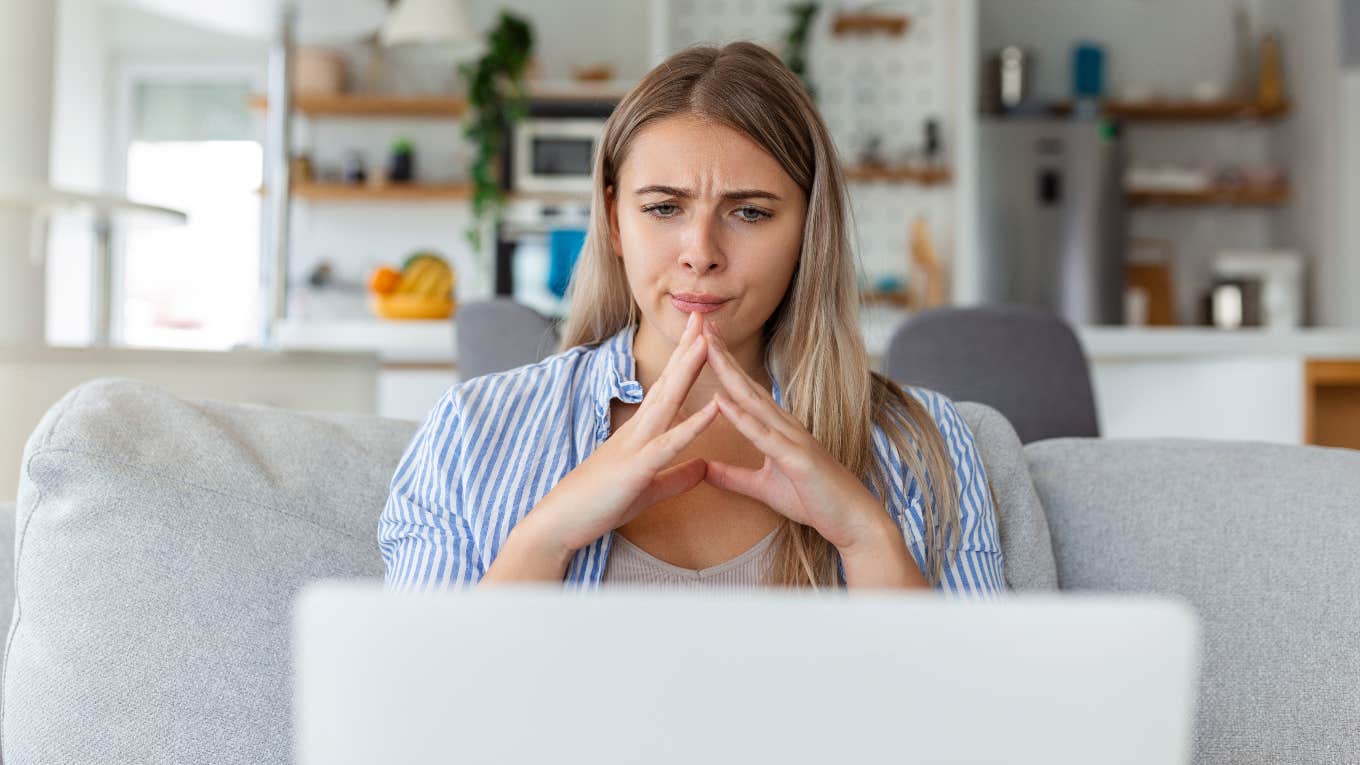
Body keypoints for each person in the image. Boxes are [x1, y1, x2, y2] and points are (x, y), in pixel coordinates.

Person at [379, 41, 1004, 594]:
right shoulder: (470, 436)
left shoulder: (924, 447)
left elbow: (979, 719)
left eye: (750, 213)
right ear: (614, 218)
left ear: (809, 231)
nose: (701, 252)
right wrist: (545, 538)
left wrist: (868, 537)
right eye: (662, 209)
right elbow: (417, 714)